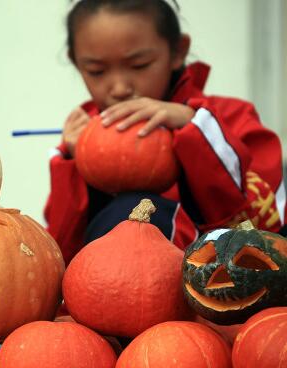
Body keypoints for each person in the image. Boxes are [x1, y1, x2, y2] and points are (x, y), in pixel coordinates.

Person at [45, 0, 286, 263]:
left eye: (139, 65)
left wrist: (196, 131)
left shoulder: (232, 118)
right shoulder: (84, 137)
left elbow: (263, 232)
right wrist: (71, 163)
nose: (119, 88)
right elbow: (58, 256)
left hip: (216, 288)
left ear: (178, 51)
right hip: (108, 292)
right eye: (96, 71)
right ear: (76, 63)